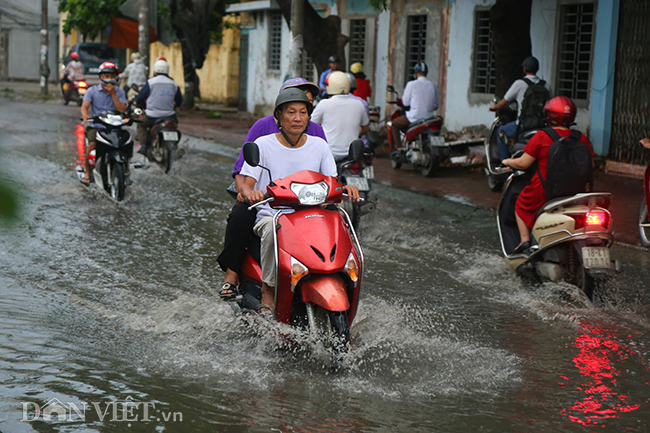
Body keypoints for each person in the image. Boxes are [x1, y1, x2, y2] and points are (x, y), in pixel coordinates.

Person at [239, 88, 360, 315]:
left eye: (303, 113)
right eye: (291, 112)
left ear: (308, 117)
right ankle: (268, 289)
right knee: (271, 231)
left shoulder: (320, 146)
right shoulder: (263, 144)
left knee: (339, 224)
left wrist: (346, 188)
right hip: (274, 214)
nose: (297, 118)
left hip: (314, 214)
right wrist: (251, 192)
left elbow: (332, 181)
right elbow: (247, 183)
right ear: (279, 117)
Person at [217, 78, 325, 299]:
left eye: (305, 107)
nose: (298, 116)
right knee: (240, 215)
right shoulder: (262, 130)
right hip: (265, 201)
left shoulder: (317, 133)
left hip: (305, 202)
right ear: (280, 110)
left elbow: (328, 174)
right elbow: (242, 170)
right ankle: (232, 274)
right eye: (292, 108)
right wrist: (246, 194)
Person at [501, 96, 594, 254]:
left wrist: (508, 161)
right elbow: (591, 166)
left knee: (521, 203)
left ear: (549, 116)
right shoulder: (581, 137)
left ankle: (524, 240)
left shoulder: (542, 136)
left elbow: (523, 163)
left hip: (545, 189)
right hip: (577, 192)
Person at [489, 56, 551, 166]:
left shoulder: (519, 83)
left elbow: (504, 102)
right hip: (542, 126)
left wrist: (494, 107)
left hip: (523, 125)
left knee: (501, 132)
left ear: (524, 69)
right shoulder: (546, 85)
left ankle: (505, 162)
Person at [80, 62, 127, 185]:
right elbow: (84, 106)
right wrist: (85, 115)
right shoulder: (92, 91)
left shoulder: (120, 92)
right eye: (106, 75)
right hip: (97, 127)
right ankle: (88, 173)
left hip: (115, 128)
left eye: (111, 75)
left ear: (116, 76)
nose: (109, 78)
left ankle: (126, 171)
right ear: (101, 77)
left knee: (126, 144)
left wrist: (113, 94)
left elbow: (122, 109)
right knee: (91, 146)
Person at [311, 71, 370, 160]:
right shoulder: (359, 104)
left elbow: (310, 125)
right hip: (352, 155)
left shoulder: (324, 104)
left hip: (329, 154)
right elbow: (365, 128)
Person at [134, 58, 183, 155]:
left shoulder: (151, 82)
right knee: (174, 128)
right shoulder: (174, 84)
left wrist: (137, 104)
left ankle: (143, 146)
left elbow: (140, 98)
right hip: (170, 117)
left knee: (141, 124)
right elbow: (179, 101)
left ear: (155, 70)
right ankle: (174, 148)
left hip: (152, 116)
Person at [390, 62, 440, 150]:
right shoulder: (434, 86)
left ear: (416, 72)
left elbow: (405, 103)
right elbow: (436, 105)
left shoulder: (411, 84)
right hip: (429, 118)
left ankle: (398, 148)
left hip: (414, 118)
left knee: (394, 124)